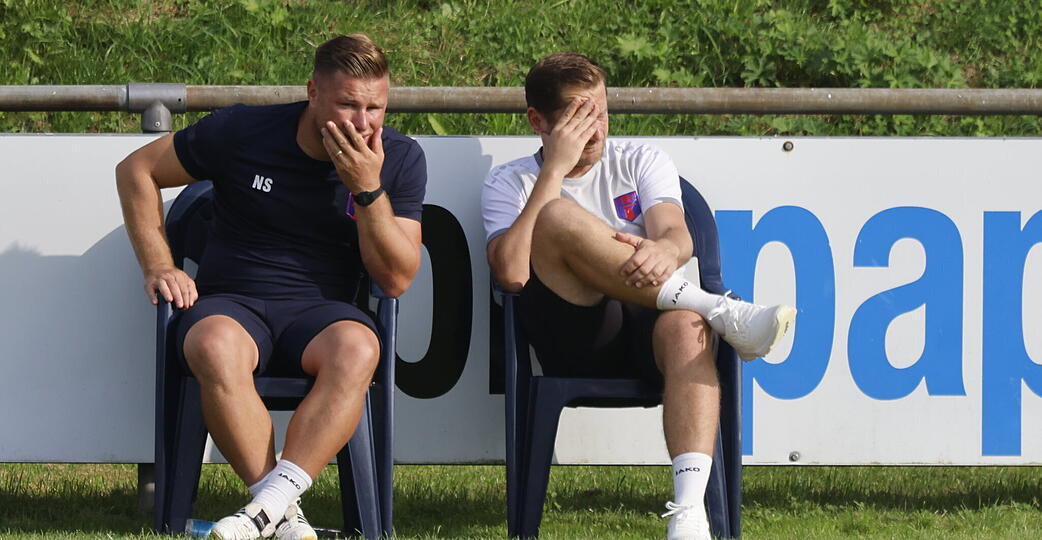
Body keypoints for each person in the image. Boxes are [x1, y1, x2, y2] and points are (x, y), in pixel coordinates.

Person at [115, 34, 425, 540]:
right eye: (348, 104)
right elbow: (137, 171)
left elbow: (394, 278)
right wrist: (157, 264)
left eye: (376, 107)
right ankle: (280, 514)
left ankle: (266, 512)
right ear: (313, 92)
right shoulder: (245, 130)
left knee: (359, 347)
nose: (362, 122)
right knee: (213, 346)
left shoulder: (399, 157)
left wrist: (368, 190)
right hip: (230, 302)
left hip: (322, 312)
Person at [482, 52, 795, 540]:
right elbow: (510, 274)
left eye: (601, 112)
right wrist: (554, 174)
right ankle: (718, 308)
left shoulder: (640, 160)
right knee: (555, 218)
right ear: (538, 122)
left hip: (650, 332)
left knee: (686, 328)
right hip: (575, 335)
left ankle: (689, 513)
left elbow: (677, 233)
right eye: (579, 116)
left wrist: (664, 250)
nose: (596, 128)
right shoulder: (510, 180)